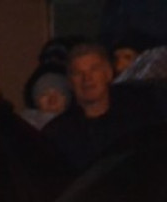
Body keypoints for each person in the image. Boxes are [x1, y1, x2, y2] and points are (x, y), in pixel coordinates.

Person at [41, 42, 160, 173]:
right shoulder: (56, 134)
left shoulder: (138, 120)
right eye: (78, 73)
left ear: (108, 74)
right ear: (70, 82)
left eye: (94, 69)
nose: (87, 79)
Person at [20, 66, 71, 130]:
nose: (52, 100)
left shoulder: (77, 127)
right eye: (44, 94)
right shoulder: (22, 127)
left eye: (59, 93)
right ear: (36, 100)